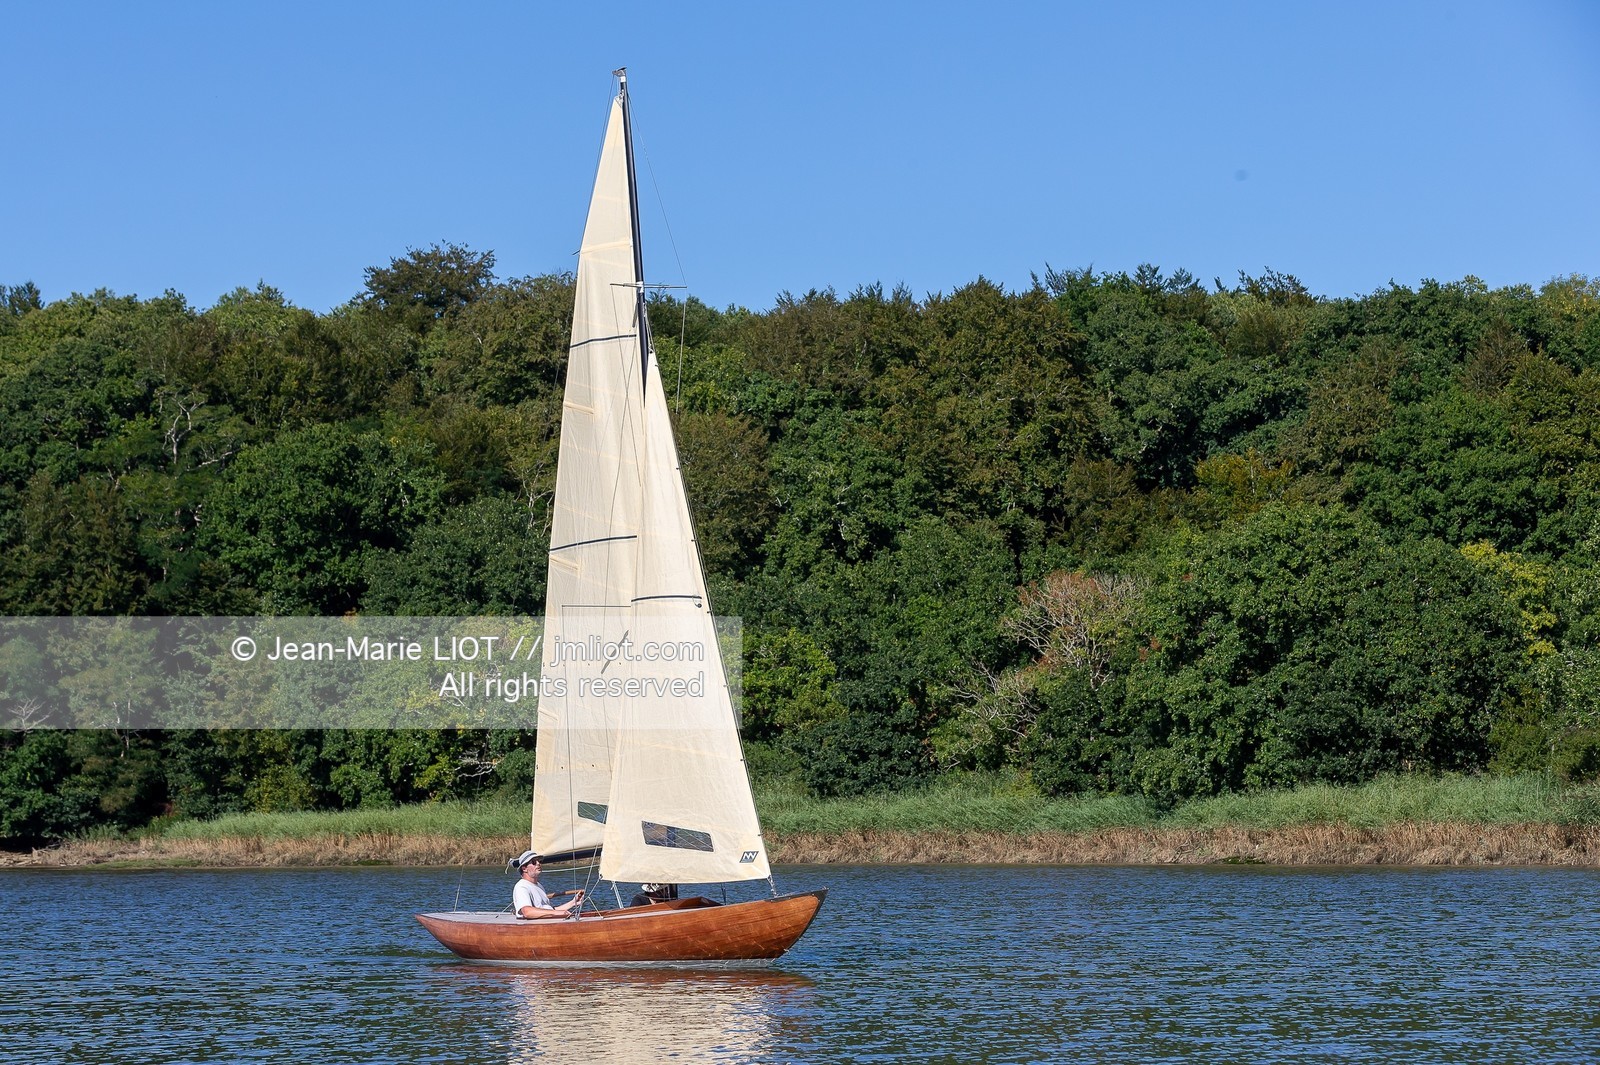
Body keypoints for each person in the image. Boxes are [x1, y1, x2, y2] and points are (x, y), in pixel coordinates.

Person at [511, 850, 584, 919]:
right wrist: (556, 913)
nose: (538, 863)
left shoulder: (539, 886)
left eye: (539, 861)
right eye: (533, 862)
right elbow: (527, 912)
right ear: (524, 869)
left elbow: (549, 909)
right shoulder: (522, 887)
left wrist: (573, 903)